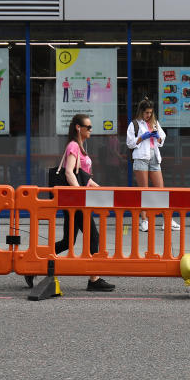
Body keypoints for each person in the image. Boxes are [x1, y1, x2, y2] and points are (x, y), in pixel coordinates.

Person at [53, 113, 114, 292]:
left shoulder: (80, 146)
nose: (91, 130)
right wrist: (81, 194)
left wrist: (98, 188)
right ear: (79, 128)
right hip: (76, 202)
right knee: (93, 236)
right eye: (88, 127)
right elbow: (69, 173)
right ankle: (94, 279)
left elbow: (83, 176)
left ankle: (35, 264)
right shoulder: (73, 146)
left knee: (67, 242)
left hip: (76, 200)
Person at [126, 98, 179, 232]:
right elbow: (130, 143)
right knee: (144, 190)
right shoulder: (134, 124)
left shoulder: (155, 123)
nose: (148, 115)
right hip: (141, 158)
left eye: (150, 112)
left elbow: (162, 139)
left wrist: (156, 136)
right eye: (146, 113)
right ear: (141, 112)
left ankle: (167, 220)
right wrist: (143, 137)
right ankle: (144, 221)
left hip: (154, 157)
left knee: (161, 190)